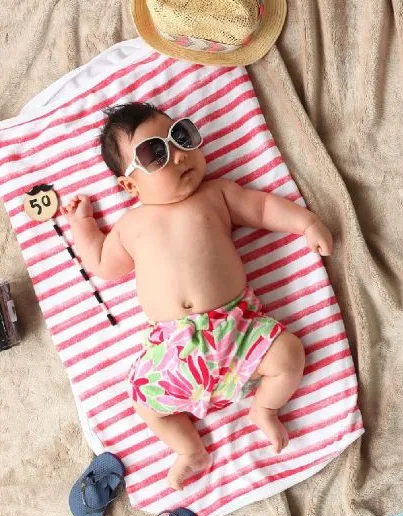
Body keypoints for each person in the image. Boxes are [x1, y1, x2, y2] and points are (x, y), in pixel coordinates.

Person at [62, 102, 333, 490]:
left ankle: (264, 408)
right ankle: (190, 449)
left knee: (290, 353)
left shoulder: (216, 196)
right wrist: (83, 225)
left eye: (181, 137)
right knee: (143, 401)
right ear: (129, 185)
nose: (177, 155)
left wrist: (305, 223)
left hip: (238, 332)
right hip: (174, 351)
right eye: (154, 153)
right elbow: (104, 265)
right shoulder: (130, 226)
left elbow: (260, 208)